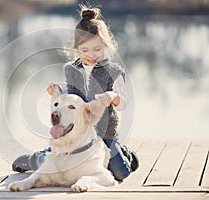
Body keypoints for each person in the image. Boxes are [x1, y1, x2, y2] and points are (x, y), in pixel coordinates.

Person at [12, 7, 139, 181]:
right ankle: (37, 159)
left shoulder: (114, 71)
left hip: (105, 134)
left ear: (105, 45)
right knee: (55, 160)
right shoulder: (71, 69)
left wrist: (113, 97)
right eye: (85, 50)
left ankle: (126, 154)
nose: (91, 55)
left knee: (119, 173)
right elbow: (69, 94)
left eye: (97, 49)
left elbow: (123, 102)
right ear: (76, 48)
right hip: (76, 134)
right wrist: (57, 91)